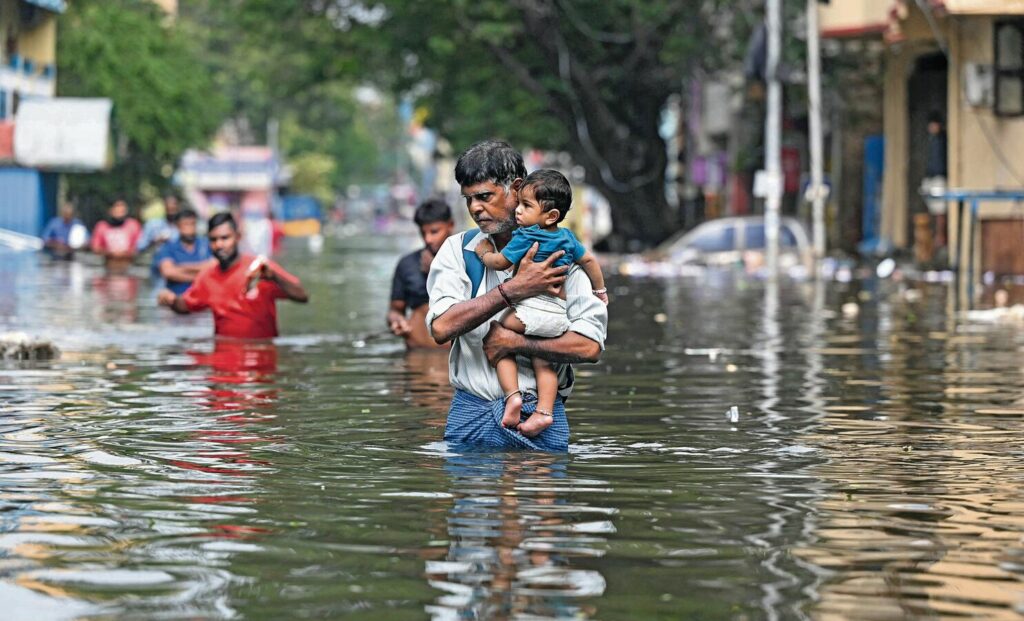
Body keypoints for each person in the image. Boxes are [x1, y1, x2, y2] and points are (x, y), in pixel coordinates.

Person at [426, 140, 607, 452]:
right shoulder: (459, 251)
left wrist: (517, 343)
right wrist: (512, 290)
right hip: (470, 418)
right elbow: (441, 328)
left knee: (540, 486)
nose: (475, 208)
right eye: (469, 199)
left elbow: (590, 346)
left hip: (542, 419)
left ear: (517, 188)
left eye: (485, 196)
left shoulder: (562, 254)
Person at [473, 169, 608, 435]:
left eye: (526, 205)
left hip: (530, 310)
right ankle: (544, 412)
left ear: (551, 215)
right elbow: (590, 261)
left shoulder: (526, 236)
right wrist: (600, 290)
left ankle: (512, 396)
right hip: (558, 315)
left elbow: (501, 262)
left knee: (497, 337)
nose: (518, 211)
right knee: (543, 358)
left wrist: (484, 253)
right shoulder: (568, 238)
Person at [157, 212, 309, 339]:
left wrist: (275, 277)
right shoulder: (207, 277)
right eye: (213, 240)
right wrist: (171, 300)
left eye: (225, 238)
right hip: (222, 358)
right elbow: (185, 306)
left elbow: (302, 296)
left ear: (237, 237)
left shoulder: (260, 268)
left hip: (261, 357)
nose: (219, 245)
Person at [387, 198, 456, 349]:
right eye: (423, 233)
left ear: (450, 225)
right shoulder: (407, 264)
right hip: (417, 351)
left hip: (456, 354)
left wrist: (437, 271)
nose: (428, 239)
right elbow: (395, 310)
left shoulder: (467, 260)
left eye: (434, 232)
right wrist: (397, 321)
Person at [152, 208, 214, 294]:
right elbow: (168, 272)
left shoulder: (206, 244)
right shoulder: (168, 247)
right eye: (186, 224)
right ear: (178, 226)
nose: (190, 228)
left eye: (193, 224)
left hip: (203, 295)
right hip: (177, 296)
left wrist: (180, 267)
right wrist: (200, 275)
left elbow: (213, 267)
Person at [91, 199, 143, 271]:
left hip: (128, 265)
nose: (120, 212)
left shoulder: (133, 225)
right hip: (108, 265)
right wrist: (110, 253)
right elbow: (95, 247)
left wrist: (124, 253)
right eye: (117, 208)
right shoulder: (102, 226)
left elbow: (140, 246)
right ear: (110, 210)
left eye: (122, 210)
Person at [921, 111, 948, 247]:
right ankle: (930, 236)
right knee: (930, 205)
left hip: (939, 176)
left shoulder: (943, 140)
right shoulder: (930, 140)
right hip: (930, 175)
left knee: (940, 209)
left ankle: (940, 237)